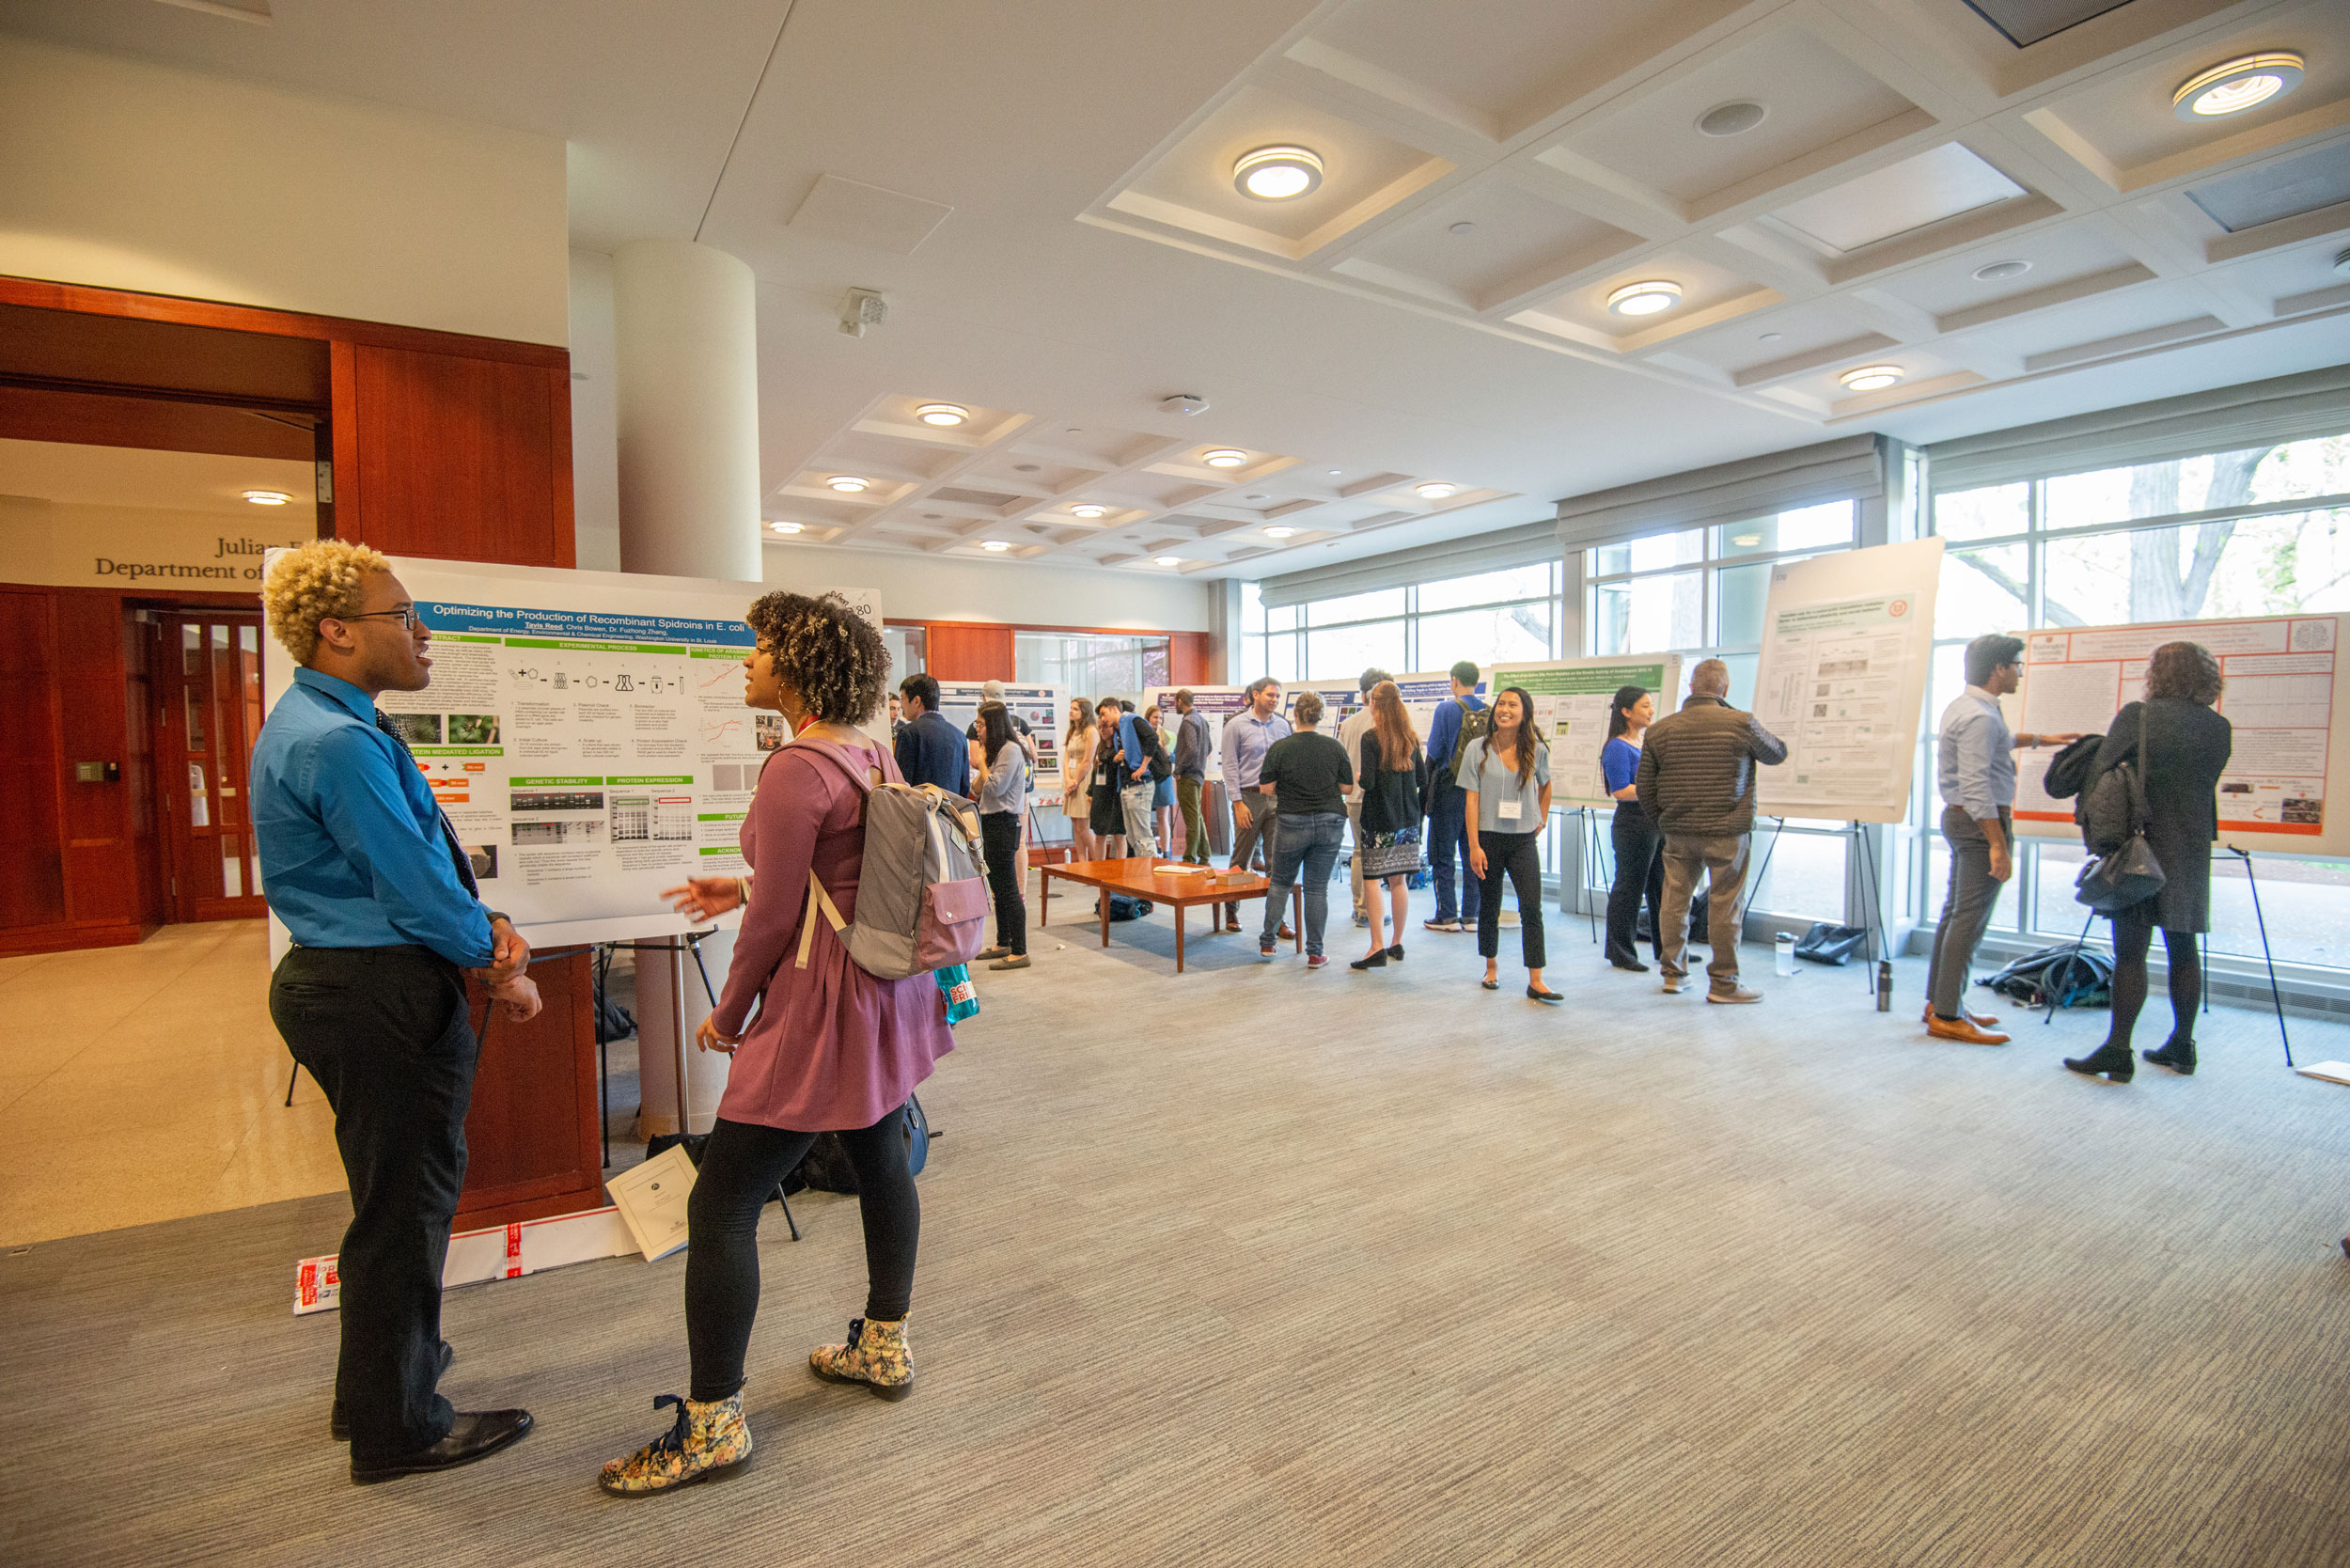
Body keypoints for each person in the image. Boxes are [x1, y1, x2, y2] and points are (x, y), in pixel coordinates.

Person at [604, 590, 951, 1497]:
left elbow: (775, 918)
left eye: (758, 650)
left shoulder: (796, 764)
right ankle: (884, 1345)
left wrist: (730, 1013)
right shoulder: (866, 745)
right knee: (881, 1153)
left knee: (722, 1205)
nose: (747, 663)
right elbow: (828, 867)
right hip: (883, 993)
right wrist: (742, 885)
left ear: (795, 664)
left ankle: (714, 1422)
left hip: (819, 1005)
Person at [250, 540, 540, 1485]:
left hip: (352, 981)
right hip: (376, 988)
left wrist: (479, 927)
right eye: (402, 617)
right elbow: (415, 887)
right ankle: (399, 1428)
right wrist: (495, 961)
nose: (423, 634)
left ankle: (378, 1392)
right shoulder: (336, 740)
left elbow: (416, 861)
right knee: (403, 1212)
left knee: (390, 1205)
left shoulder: (331, 722)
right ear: (336, 631)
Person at [2064, 641, 2232, 1083]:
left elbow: (2101, 772)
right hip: (2192, 851)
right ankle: (2183, 1044)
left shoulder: (2137, 717)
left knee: (2131, 953)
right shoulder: (2219, 727)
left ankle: (2118, 1049)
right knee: (2184, 950)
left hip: (2141, 846)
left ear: (2158, 674)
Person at [1926, 636, 2076, 1046]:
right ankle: (1947, 1014)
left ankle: (1940, 1001)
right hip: (1979, 824)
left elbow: (1998, 744)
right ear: (1998, 670)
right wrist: (1998, 844)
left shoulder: (1968, 707)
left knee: (1955, 914)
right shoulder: (1981, 717)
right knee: (1967, 921)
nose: (2020, 672)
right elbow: (1977, 786)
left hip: (1961, 821)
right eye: (2016, 665)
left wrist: (2044, 739)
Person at [1636, 659, 1788, 1004]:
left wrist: (1664, 820)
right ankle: (1724, 983)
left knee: (1674, 903)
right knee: (1725, 906)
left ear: (1690, 688)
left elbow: (1644, 787)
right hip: (1727, 831)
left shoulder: (1660, 729)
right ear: (1726, 690)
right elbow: (1777, 752)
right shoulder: (1740, 723)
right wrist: (1737, 717)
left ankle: (1673, 975)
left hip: (1678, 831)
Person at [1461, 686, 1558, 1002]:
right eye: (1501, 704)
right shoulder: (1478, 748)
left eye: (1512, 705)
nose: (1504, 709)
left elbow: (1547, 786)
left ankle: (1537, 979)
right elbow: (1471, 801)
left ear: (1524, 712)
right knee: (1489, 906)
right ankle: (1491, 968)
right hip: (1487, 838)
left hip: (1522, 840)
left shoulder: (1537, 749)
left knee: (1532, 907)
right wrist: (1474, 845)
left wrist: (1539, 820)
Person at [1257, 690, 1353, 968]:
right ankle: (1315, 952)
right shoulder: (1334, 747)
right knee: (1316, 889)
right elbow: (1347, 787)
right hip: (1330, 821)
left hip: (1291, 821)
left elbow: (1266, 788)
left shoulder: (1280, 747)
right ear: (1320, 716)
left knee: (1280, 883)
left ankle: (1268, 943)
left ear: (1295, 715)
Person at [1352, 680, 1427, 972]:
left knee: (1372, 880)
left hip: (1379, 819)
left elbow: (1368, 782)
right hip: (1408, 819)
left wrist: (1360, 775)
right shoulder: (1410, 736)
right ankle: (1396, 942)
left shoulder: (1371, 738)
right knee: (1399, 881)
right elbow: (1422, 779)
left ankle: (1376, 946)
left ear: (1375, 704)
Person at [1221, 677, 1293, 934]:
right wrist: (1237, 803)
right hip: (1248, 798)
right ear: (1255, 695)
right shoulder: (1236, 725)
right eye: (1270, 695)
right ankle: (1231, 911)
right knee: (1241, 859)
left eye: (1277, 696)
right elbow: (1229, 766)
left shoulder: (1283, 726)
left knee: (1278, 861)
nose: (1274, 700)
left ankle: (1277, 920)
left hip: (1277, 799)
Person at [1601, 685, 1665, 972]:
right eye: (1645, 706)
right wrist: (1656, 791)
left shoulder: (1643, 742)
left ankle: (1667, 948)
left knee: (1660, 887)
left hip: (1654, 822)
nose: (1651, 711)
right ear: (1627, 712)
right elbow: (1622, 791)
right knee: (1629, 888)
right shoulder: (1616, 746)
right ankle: (1620, 951)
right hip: (1633, 824)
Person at [1423, 661, 1487, 933]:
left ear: (1454, 681)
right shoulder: (1489, 710)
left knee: (1442, 853)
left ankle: (1447, 914)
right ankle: (1472, 915)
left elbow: (1436, 751)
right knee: (1473, 849)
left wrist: (1423, 789)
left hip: (1449, 788)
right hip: (1480, 790)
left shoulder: (1446, 708)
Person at [972, 702, 1031, 971]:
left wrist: (983, 764)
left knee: (1008, 889)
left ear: (994, 725)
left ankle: (1019, 950)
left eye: (981, 725)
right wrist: (982, 767)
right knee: (997, 888)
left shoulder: (1010, 750)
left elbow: (994, 789)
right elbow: (976, 788)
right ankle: (1002, 942)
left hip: (1004, 823)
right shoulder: (997, 751)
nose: (978, 730)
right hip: (991, 822)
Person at [1338, 666, 1389, 928]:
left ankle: (1361, 907)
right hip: (1381, 798)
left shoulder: (1347, 725)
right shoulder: (1386, 724)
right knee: (1377, 855)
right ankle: (1373, 907)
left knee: (1360, 852)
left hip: (1354, 798)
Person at [895, 673, 971, 797]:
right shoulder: (960, 736)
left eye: (902, 698)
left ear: (916, 701)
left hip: (920, 813)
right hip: (951, 813)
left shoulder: (908, 733)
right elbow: (965, 787)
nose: (902, 705)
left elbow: (902, 785)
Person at [1104, 698, 1162, 856]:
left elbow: (1153, 738)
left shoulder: (1132, 720)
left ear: (1115, 709)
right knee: (1132, 837)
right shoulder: (1119, 731)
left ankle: (1150, 872)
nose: (1103, 719)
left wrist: (1143, 766)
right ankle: (1143, 872)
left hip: (1140, 785)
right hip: (1126, 786)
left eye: (1104, 714)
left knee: (1143, 835)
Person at [1172, 689, 1212, 866]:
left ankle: (1189, 858)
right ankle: (1205, 855)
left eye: (1175, 702)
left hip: (1188, 775)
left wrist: (1179, 768)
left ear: (1180, 701)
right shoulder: (1202, 721)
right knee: (1197, 816)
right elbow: (1208, 747)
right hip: (1199, 774)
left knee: (1191, 818)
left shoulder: (1188, 721)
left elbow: (1191, 749)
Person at [1086, 699, 1130, 856]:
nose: (1102, 730)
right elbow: (1095, 770)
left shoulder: (1121, 745)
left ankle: (1121, 869)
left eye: (1105, 727)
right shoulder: (1100, 747)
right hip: (1100, 794)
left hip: (1116, 795)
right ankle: (1099, 871)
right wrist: (1090, 791)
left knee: (1119, 835)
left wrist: (1112, 758)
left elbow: (1115, 760)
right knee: (1100, 834)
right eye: (1100, 727)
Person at [1062, 697, 1098, 861]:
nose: (1071, 711)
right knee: (1075, 825)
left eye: (1075, 708)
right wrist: (1068, 780)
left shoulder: (1091, 731)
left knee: (1084, 825)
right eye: (1071, 708)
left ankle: (1097, 861)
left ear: (1084, 711)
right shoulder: (1073, 731)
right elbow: (1066, 757)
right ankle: (1082, 864)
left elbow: (1087, 760)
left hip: (1084, 778)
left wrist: (1075, 781)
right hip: (1071, 778)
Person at [1149, 697, 1179, 854]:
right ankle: (1149, 850)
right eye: (1155, 717)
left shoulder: (1170, 736)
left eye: (1160, 718)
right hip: (1148, 779)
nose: (1158, 721)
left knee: (1163, 816)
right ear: (1148, 718)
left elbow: (1173, 758)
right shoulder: (1143, 735)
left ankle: (1166, 851)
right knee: (1145, 818)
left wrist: (1163, 746)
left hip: (1164, 779)